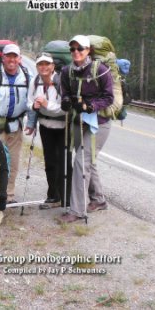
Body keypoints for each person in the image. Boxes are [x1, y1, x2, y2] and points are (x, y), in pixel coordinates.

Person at [59, 35, 114, 223]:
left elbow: (109, 97)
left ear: (88, 50)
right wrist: (66, 101)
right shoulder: (67, 71)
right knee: (87, 160)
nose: (76, 52)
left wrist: (92, 106)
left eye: (80, 49)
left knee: (81, 162)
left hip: (99, 122)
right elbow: (65, 92)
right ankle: (98, 200)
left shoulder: (101, 70)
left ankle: (77, 210)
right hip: (78, 121)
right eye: (72, 49)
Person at [0, 43, 35, 203]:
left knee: (14, 162)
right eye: (8, 56)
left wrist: (31, 121)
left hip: (16, 126)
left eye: (14, 56)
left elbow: (31, 99)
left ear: (19, 59)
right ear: (3, 58)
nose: (11, 59)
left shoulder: (27, 75)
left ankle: (8, 195)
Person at [26, 52, 71, 209]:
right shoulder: (35, 81)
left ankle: (67, 197)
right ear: (37, 66)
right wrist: (33, 106)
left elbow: (66, 109)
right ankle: (53, 196)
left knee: (63, 163)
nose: (43, 67)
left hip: (62, 127)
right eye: (40, 64)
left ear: (53, 66)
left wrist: (46, 105)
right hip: (45, 127)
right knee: (50, 163)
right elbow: (29, 102)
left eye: (47, 64)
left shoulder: (62, 82)